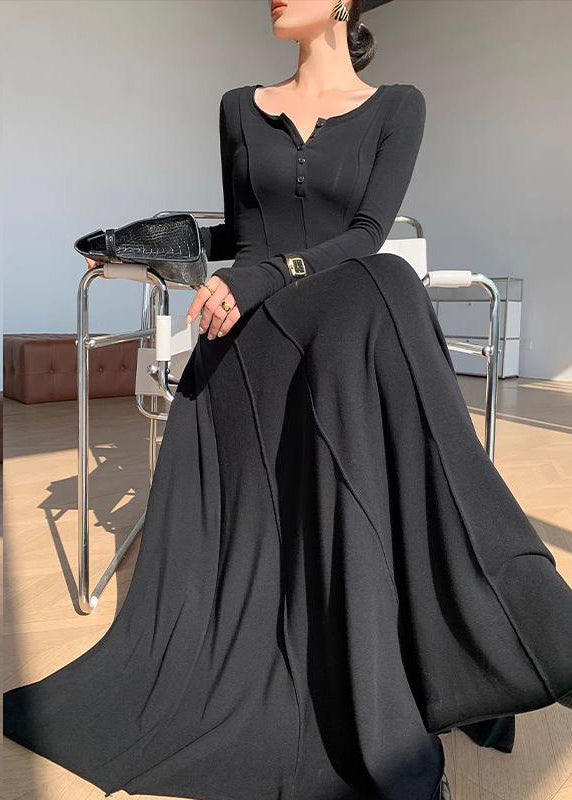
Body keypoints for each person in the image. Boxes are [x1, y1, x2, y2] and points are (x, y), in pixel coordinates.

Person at [4, 1, 572, 799]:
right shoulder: (240, 107)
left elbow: (367, 231)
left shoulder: (398, 106)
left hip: (341, 312)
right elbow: (245, 234)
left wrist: (268, 275)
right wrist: (149, 245)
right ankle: (515, 625)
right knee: (378, 304)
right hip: (258, 336)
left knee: (383, 281)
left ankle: (497, 627)